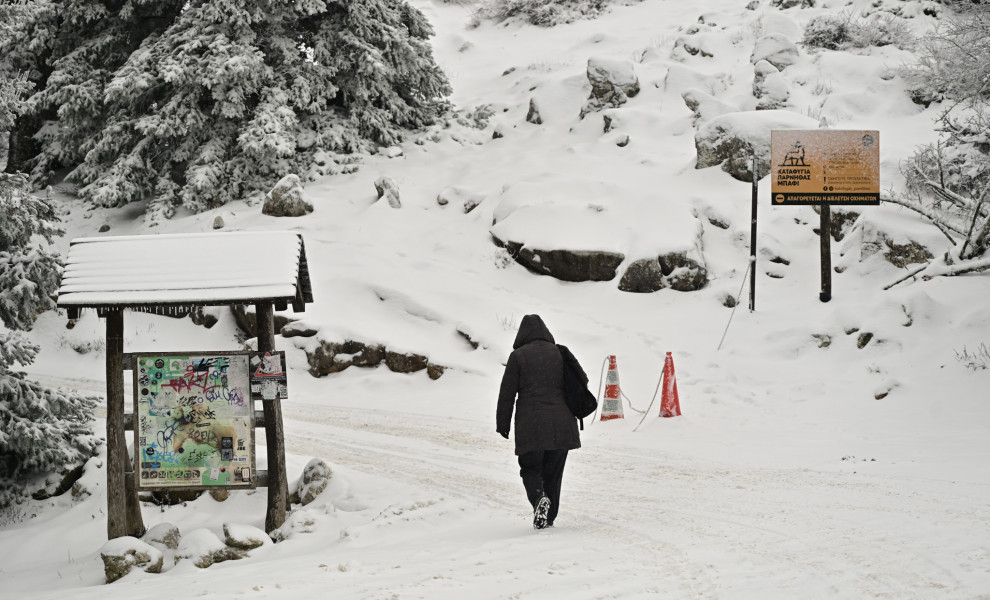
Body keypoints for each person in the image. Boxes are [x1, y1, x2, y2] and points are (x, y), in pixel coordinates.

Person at [496, 314, 584, 529]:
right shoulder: (560, 352)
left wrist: (503, 424)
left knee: (530, 468)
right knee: (554, 473)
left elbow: (507, 393)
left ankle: (539, 499)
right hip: (563, 424)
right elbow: (581, 379)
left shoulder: (518, 356)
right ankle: (549, 517)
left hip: (531, 424)